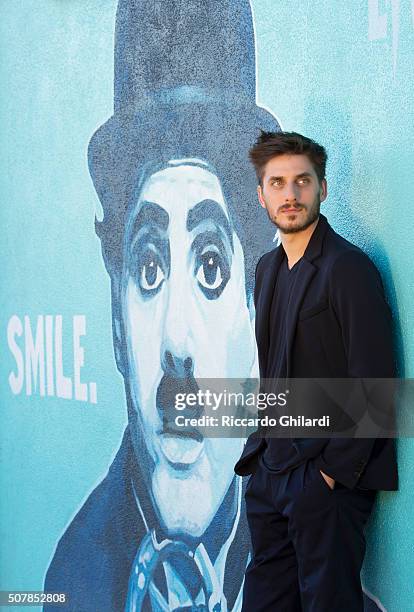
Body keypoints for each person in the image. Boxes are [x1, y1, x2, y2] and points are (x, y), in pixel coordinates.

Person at [44, 1, 281, 610]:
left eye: (209, 268)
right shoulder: (73, 583)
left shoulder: (313, 544)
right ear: (117, 325)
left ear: (256, 312)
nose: (176, 336)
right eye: (148, 270)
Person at [234, 131, 398, 611]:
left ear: (322, 189)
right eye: (278, 183)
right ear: (261, 195)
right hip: (271, 476)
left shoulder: (348, 269)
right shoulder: (266, 269)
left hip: (324, 484)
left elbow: (377, 386)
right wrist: (261, 465)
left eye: (302, 182)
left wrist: (329, 476)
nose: (290, 195)